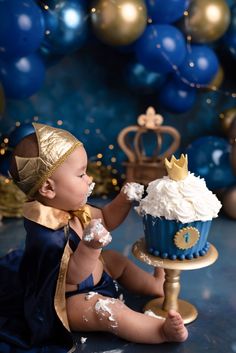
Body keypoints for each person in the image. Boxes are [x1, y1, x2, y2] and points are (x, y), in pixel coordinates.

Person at [0, 122, 188, 350]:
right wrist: (90, 247)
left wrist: (123, 200)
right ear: (48, 188)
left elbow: (106, 219)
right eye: (81, 174)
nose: (89, 179)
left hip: (97, 276)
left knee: (116, 261)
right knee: (106, 310)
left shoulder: (72, 207)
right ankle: (158, 331)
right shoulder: (47, 234)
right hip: (71, 300)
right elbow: (74, 276)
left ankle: (154, 285)